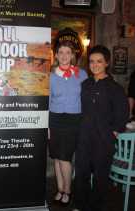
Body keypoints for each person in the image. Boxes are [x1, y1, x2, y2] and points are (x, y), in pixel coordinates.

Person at [73, 45, 129, 211]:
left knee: (100, 178)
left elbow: (123, 112)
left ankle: (96, 207)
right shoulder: (85, 84)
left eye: (99, 61)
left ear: (107, 63)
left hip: (103, 141)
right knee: (81, 175)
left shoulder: (115, 88)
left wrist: (115, 131)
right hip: (84, 138)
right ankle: (81, 206)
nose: (94, 64)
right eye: (91, 61)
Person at [49, 41, 87, 205]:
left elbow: (86, 99)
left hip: (73, 120)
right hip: (55, 118)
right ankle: (60, 189)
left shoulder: (81, 74)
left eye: (68, 52)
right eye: (61, 52)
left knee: (65, 157)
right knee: (57, 157)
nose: (64, 56)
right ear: (56, 55)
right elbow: (48, 101)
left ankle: (68, 191)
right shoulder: (50, 76)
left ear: (72, 55)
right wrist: (48, 126)